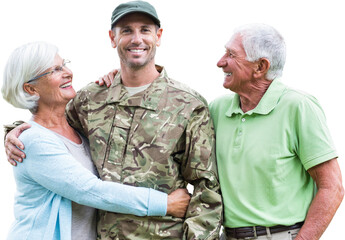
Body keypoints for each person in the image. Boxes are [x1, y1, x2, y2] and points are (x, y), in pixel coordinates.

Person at [4, 1, 223, 239]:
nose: (136, 39)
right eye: (126, 30)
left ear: (158, 36)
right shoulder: (90, 100)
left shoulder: (188, 105)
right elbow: (49, 129)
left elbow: (206, 189)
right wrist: (15, 133)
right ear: (112, 38)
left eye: (145, 30)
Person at [209, 23, 344, 240]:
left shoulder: (299, 107)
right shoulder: (217, 109)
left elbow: (332, 188)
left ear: (260, 67)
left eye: (231, 54)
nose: (220, 62)